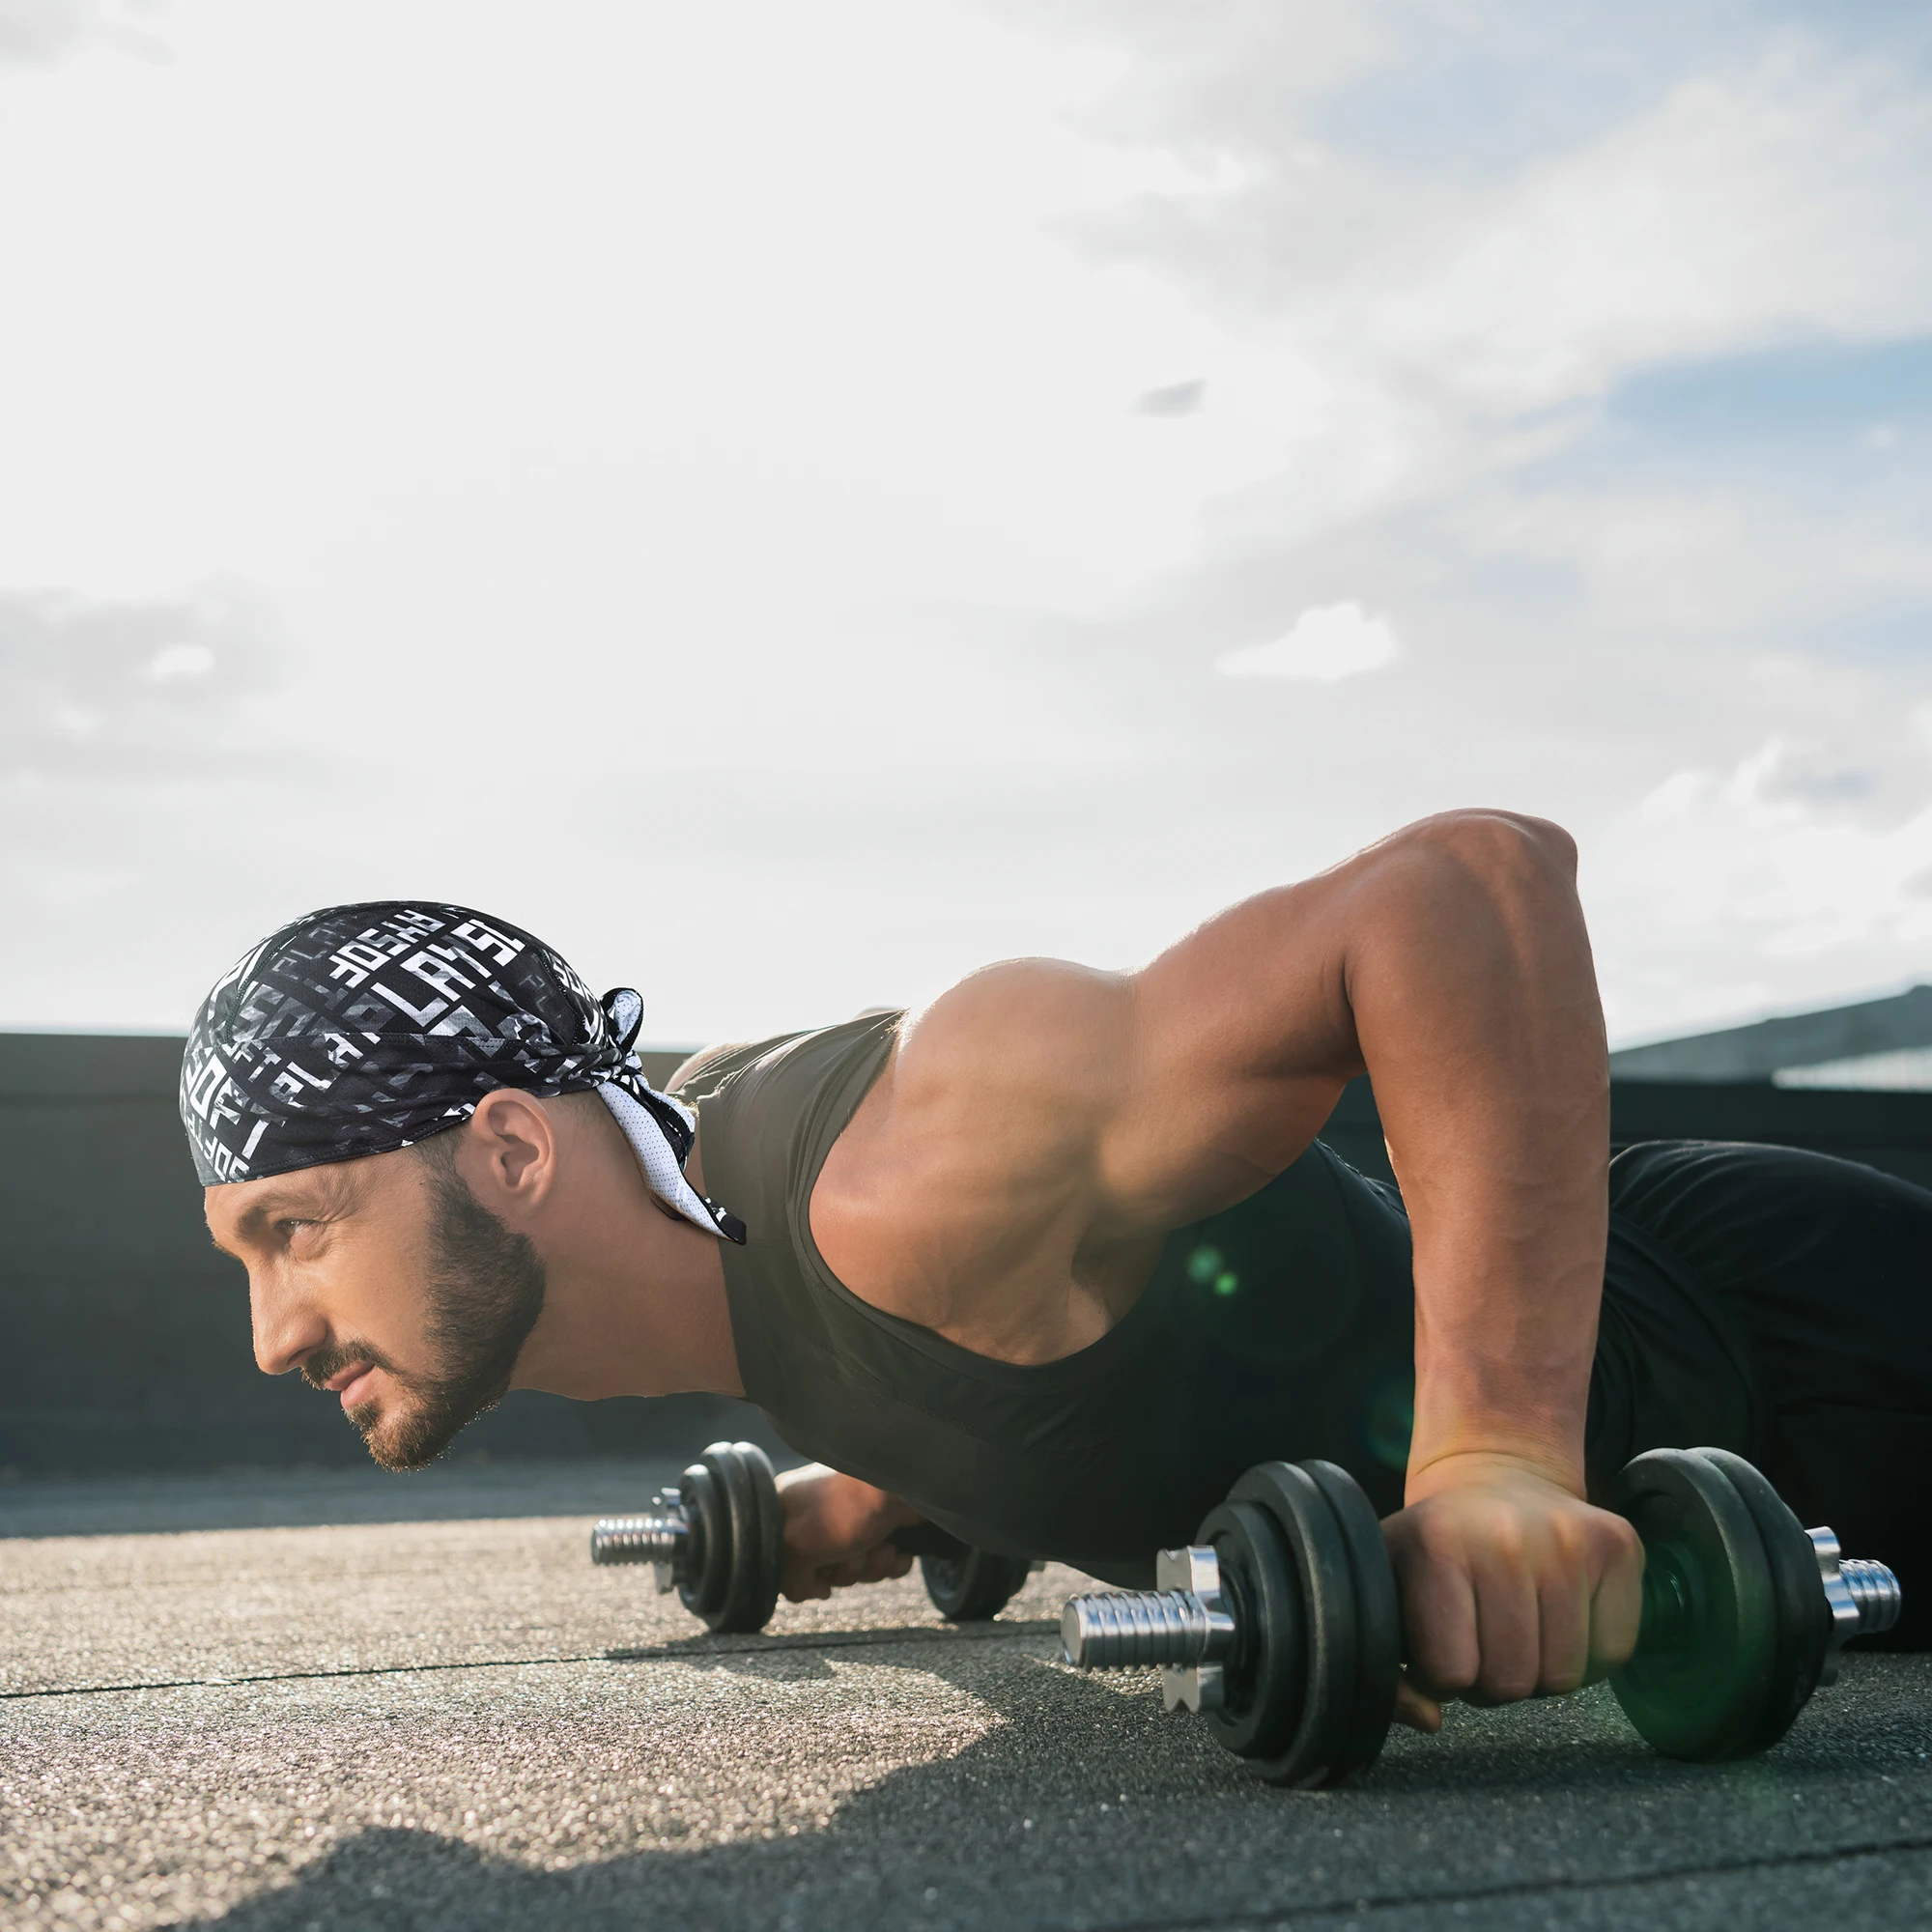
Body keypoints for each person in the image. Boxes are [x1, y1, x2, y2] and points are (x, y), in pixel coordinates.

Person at [182, 811, 1932, 1737]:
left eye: (299, 1230)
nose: (274, 1335)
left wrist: (1489, 1463)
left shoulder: (912, 1164)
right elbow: (941, 1336)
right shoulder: (691, 1197)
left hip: (1794, 1339)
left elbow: (1465, 889)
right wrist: (876, 1486)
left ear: (508, 1152)